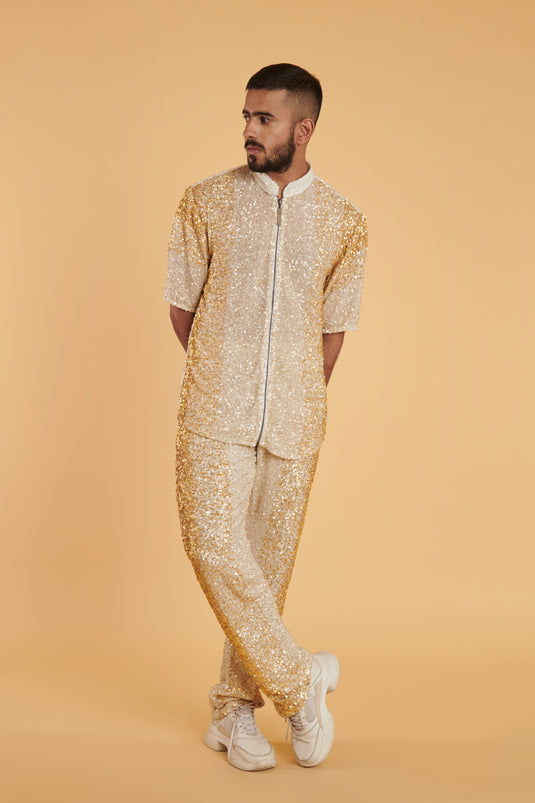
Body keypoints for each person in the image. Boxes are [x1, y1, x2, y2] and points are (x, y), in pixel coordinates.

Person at [163, 63, 368, 771]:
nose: (249, 130)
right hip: (212, 410)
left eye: (264, 119)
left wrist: (292, 389)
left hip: (296, 419)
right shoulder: (204, 202)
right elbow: (182, 309)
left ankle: (233, 710)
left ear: (302, 128)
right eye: (246, 117)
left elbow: (333, 327)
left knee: (266, 573)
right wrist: (228, 375)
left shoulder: (344, 220)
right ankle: (300, 680)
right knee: (213, 545)